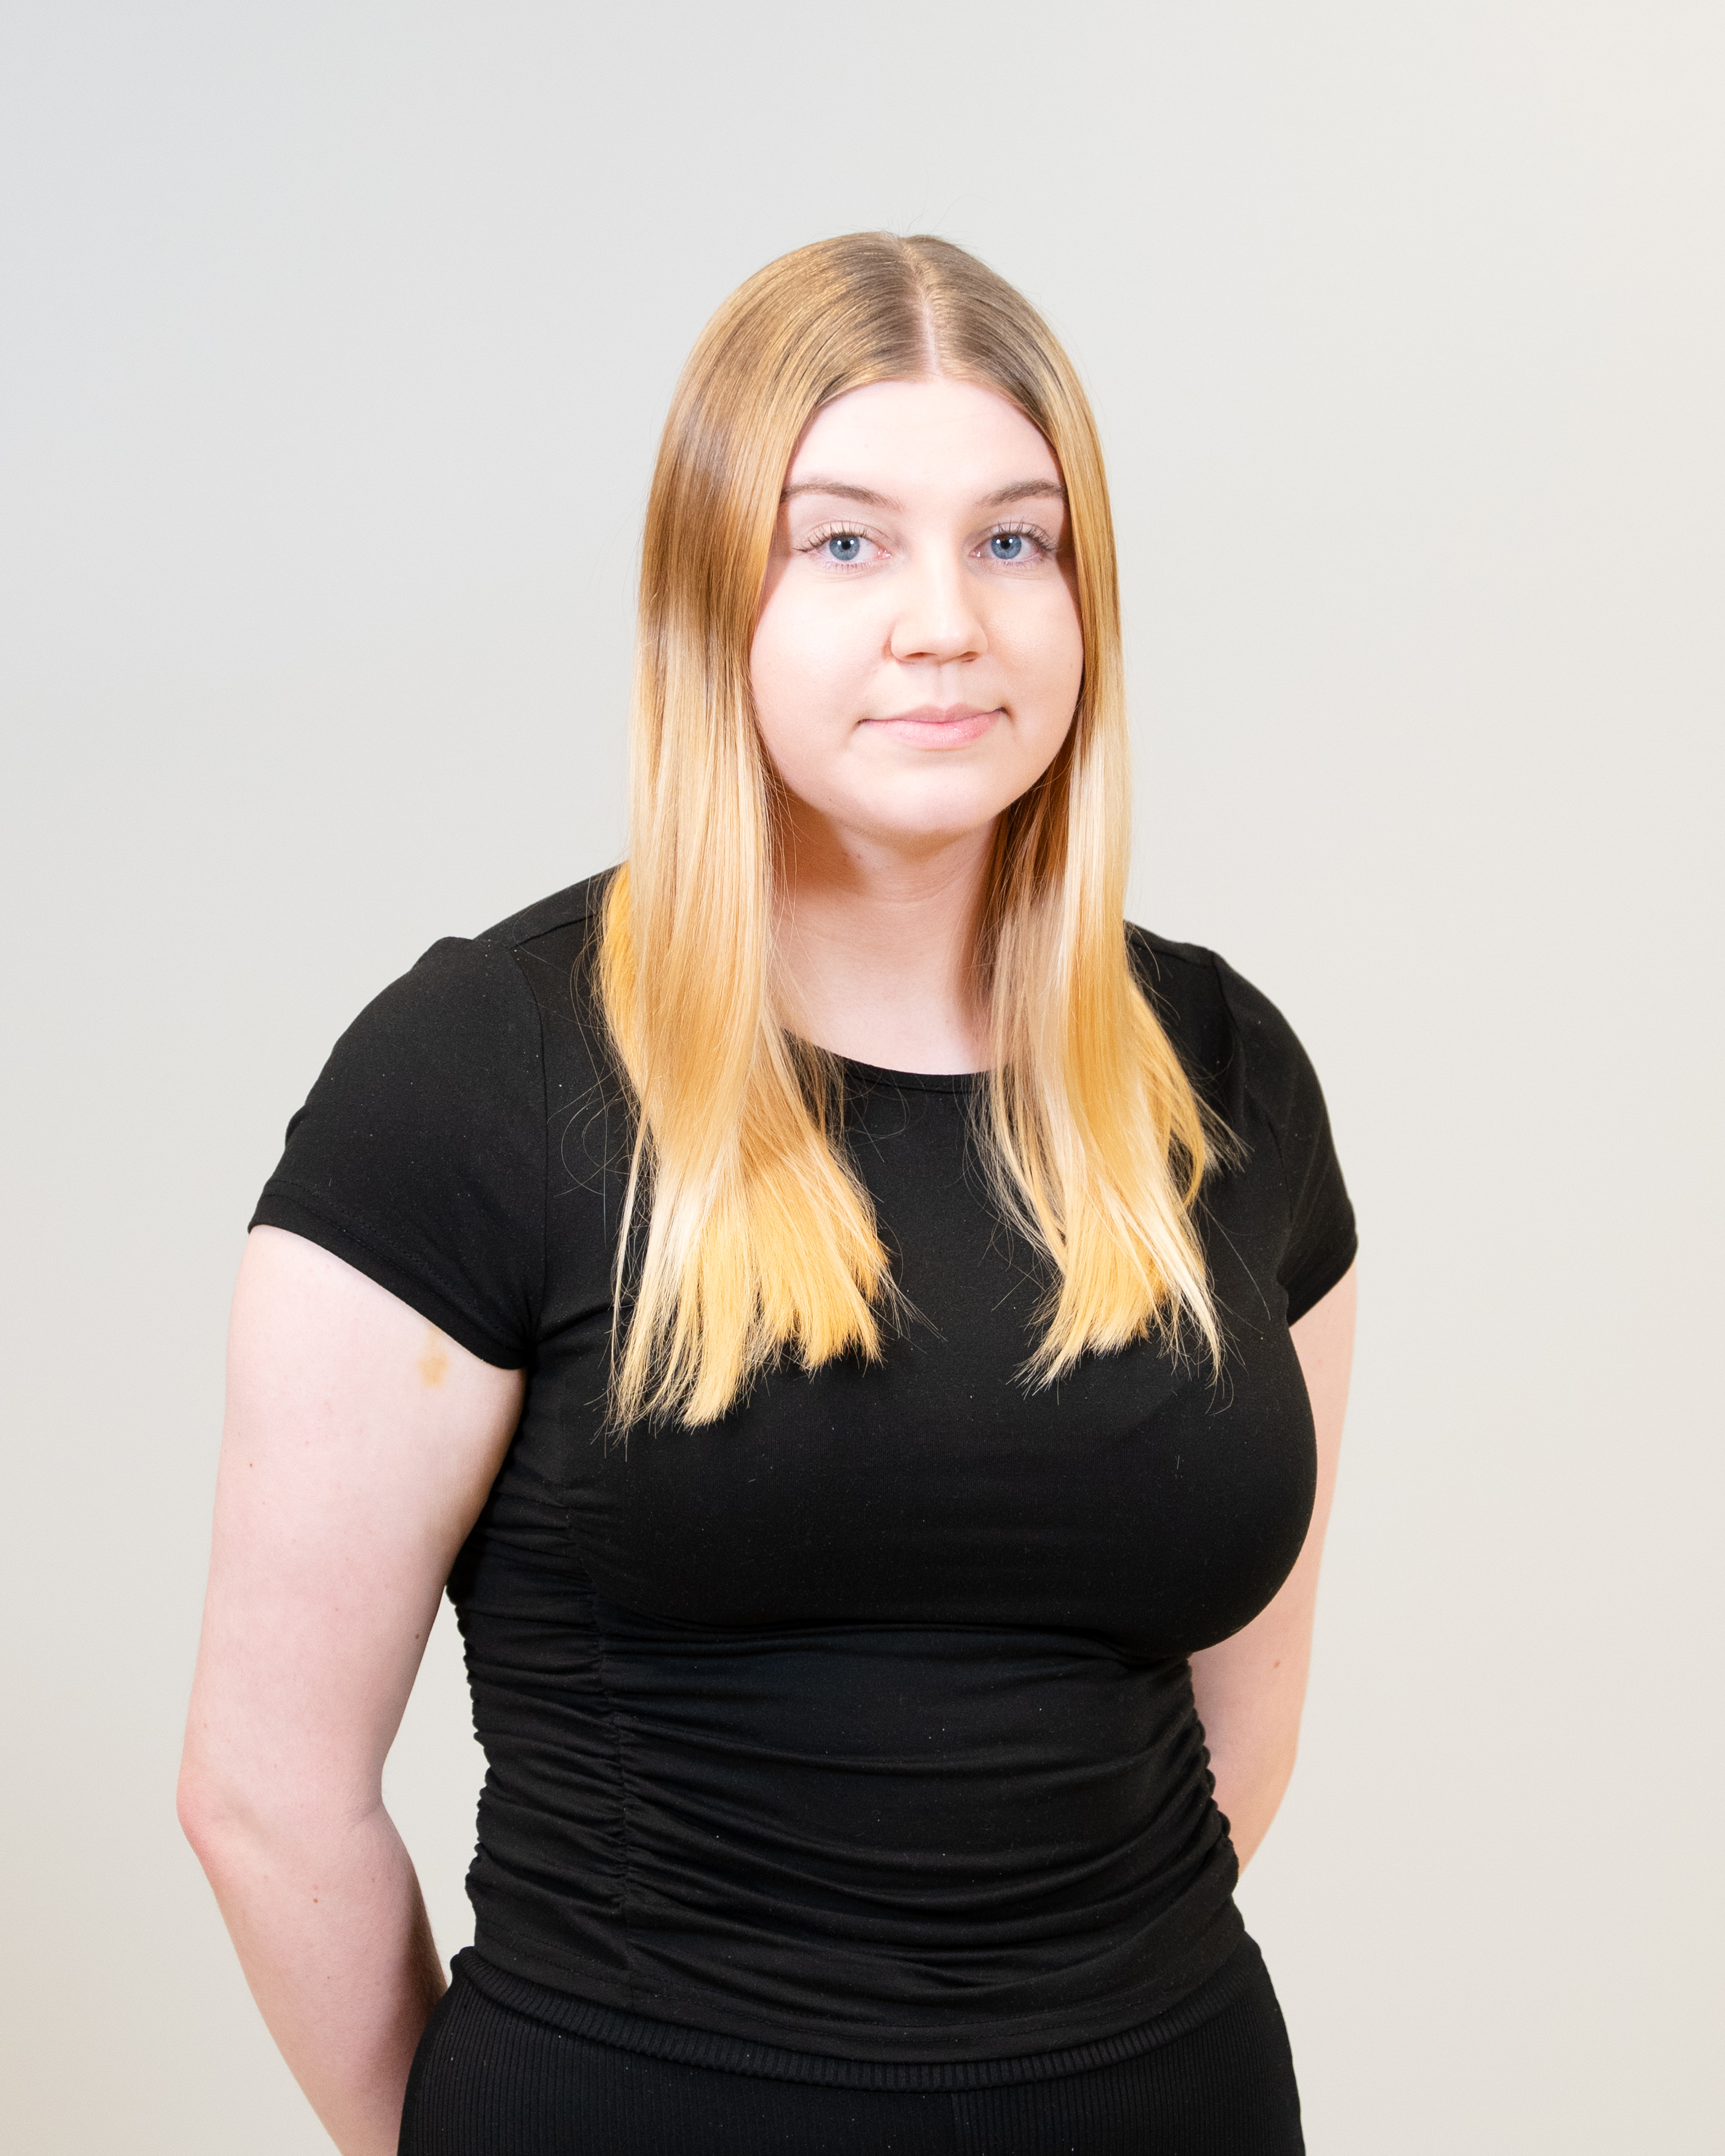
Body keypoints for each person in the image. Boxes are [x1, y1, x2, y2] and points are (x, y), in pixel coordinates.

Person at [178, 231, 1357, 2156]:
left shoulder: (1226, 1077)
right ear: (712, 592)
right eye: (846, 542)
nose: (944, 622)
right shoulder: (477, 1076)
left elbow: (1248, 1732)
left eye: (1015, 540)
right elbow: (262, 1790)